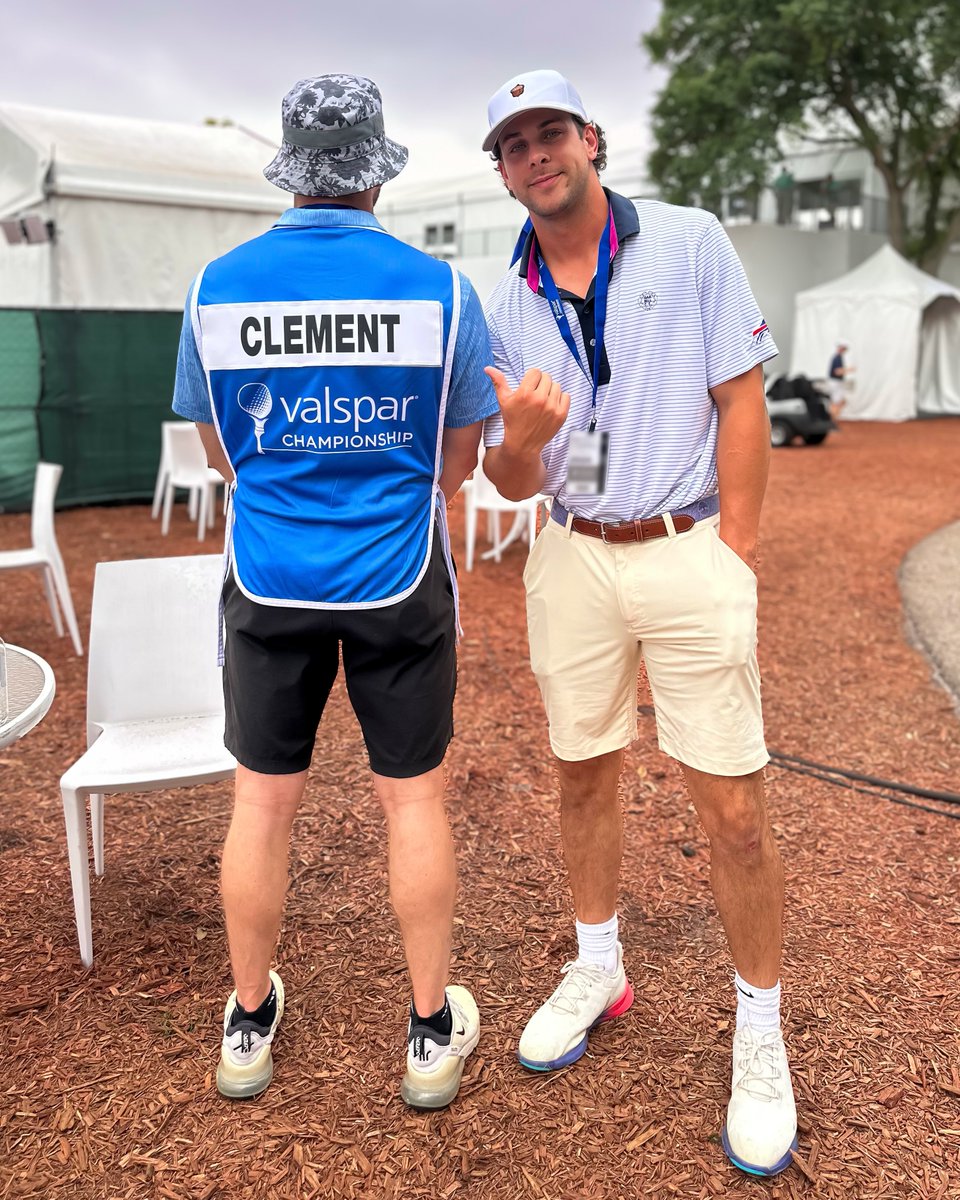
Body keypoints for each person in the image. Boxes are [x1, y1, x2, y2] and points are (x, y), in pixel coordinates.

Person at [478, 69, 798, 1177]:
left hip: (685, 546)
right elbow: (512, 479)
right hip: (570, 552)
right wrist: (520, 438)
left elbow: (741, 396)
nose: (536, 155)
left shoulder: (689, 239)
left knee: (734, 806)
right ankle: (599, 964)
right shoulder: (502, 296)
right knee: (580, 770)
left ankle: (760, 1031)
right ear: (503, 170)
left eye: (550, 132)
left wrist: (736, 558)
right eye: (513, 144)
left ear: (591, 139)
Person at [171, 73, 498, 1109]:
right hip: (399, 577)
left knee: (261, 805)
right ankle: (430, 1030)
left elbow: (218, 448)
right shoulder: (441, 290)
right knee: (414, 801)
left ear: (292, 167)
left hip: (270, 576)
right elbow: (455, 469)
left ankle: (249, 1023)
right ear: (373, 172)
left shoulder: (216, 287)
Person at [827, 340, 854, 420]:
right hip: (835, 382)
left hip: (837, 382)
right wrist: (848, 370)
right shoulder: (837, 358)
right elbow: (837, 371)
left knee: (839, 401)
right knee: (836, 401)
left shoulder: (838, 357)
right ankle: (832, 417)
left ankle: (834, 416)